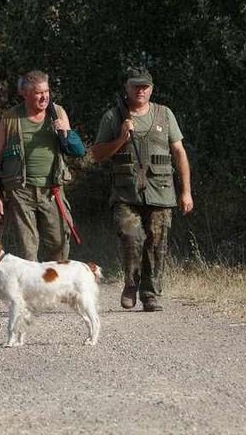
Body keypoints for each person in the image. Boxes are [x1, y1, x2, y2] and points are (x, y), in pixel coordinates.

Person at [91, 67, 193, 311]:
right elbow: (96, 154)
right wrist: (121, 139)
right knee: (130, 236)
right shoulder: (113, 117)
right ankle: (130, 282)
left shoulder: (164, 114)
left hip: (161, 192)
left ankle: (151, 294)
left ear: (151, 88)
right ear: (127, 87)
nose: (140, 90)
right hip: (126, 193)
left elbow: (179, 152)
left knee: (157, 243)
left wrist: (186, 190)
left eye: (145, 86)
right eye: (135, 86)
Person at [0, 70, 84, 262]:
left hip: (52, 191)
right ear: (25, 93)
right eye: (38, 93)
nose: (44, 96)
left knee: (59, 246)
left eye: (46, 91)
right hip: (21, 192)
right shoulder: (11, 118)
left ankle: (55, 290)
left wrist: (67, 132)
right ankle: (32, 291)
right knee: (27, 251)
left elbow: (78, 151)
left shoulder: (58, 112)